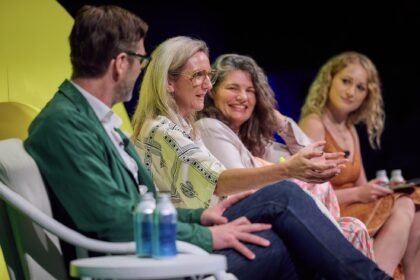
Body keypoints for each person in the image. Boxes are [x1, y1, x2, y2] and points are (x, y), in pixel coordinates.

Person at [23, 6, 391, 278]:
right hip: (146, 262)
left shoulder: (95, 120)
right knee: (284, 201)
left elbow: (137, 206)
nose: (140, 68)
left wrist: (199, 216)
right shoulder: (66, 124)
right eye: (138, 58)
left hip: (163, 247)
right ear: (120, 63)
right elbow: (112, 221)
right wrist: (205, 234)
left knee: (288, 242)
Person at [131, 35, 391, 279]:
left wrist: (275, 119)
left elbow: (309, 154)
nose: (207, 85)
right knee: (284, 194)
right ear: (169, 81)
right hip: (195, 236)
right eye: (199, 76)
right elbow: (219, 180)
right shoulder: (164, 130)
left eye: (208, 75)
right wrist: (287, 171)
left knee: (291, 246)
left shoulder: (190, 128)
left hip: (211, 224)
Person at [195, 53, 373, 259]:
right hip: (243, 221)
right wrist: (289, 173)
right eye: (233, 88)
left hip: (282, 218)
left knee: (355, 228)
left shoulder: (253, 139)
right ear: (213, 92)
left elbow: (311, 158)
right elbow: (242, 189)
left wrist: (280, 121)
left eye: (250, 91)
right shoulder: (210, 128)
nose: (243, 97)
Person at [299, 51, 420, 278]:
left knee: (415, 201)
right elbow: (309, 196)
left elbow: (363, 184)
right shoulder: (313, 125)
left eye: (360, 87)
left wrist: (387, 188)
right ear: (329, 80)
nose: (351, 92)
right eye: (346, 81)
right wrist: (359, 193)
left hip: (355, 204)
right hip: (330, 211)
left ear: (367, 95)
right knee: (403, 206)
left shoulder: (350, 130)